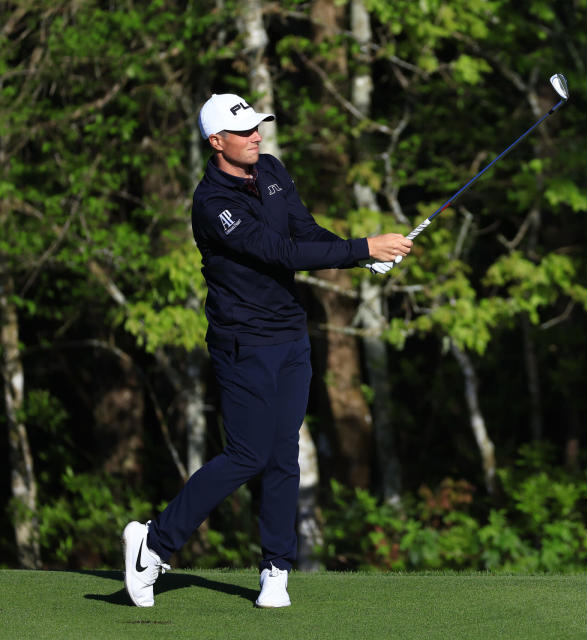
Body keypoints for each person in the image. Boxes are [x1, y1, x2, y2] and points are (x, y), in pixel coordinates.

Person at [122, 93, 412, 608]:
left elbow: (302, 231)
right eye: (245, 130)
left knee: (284, 454)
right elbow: (278, 252)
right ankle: (153, 542)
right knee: (248, 453)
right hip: (243, 342)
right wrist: (362, 248)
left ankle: (276, 568)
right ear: (217, 142)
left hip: (289, 336)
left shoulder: (272, 170)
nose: (257, 135)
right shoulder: (213, 204)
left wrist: (359, 258)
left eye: (258, 126)